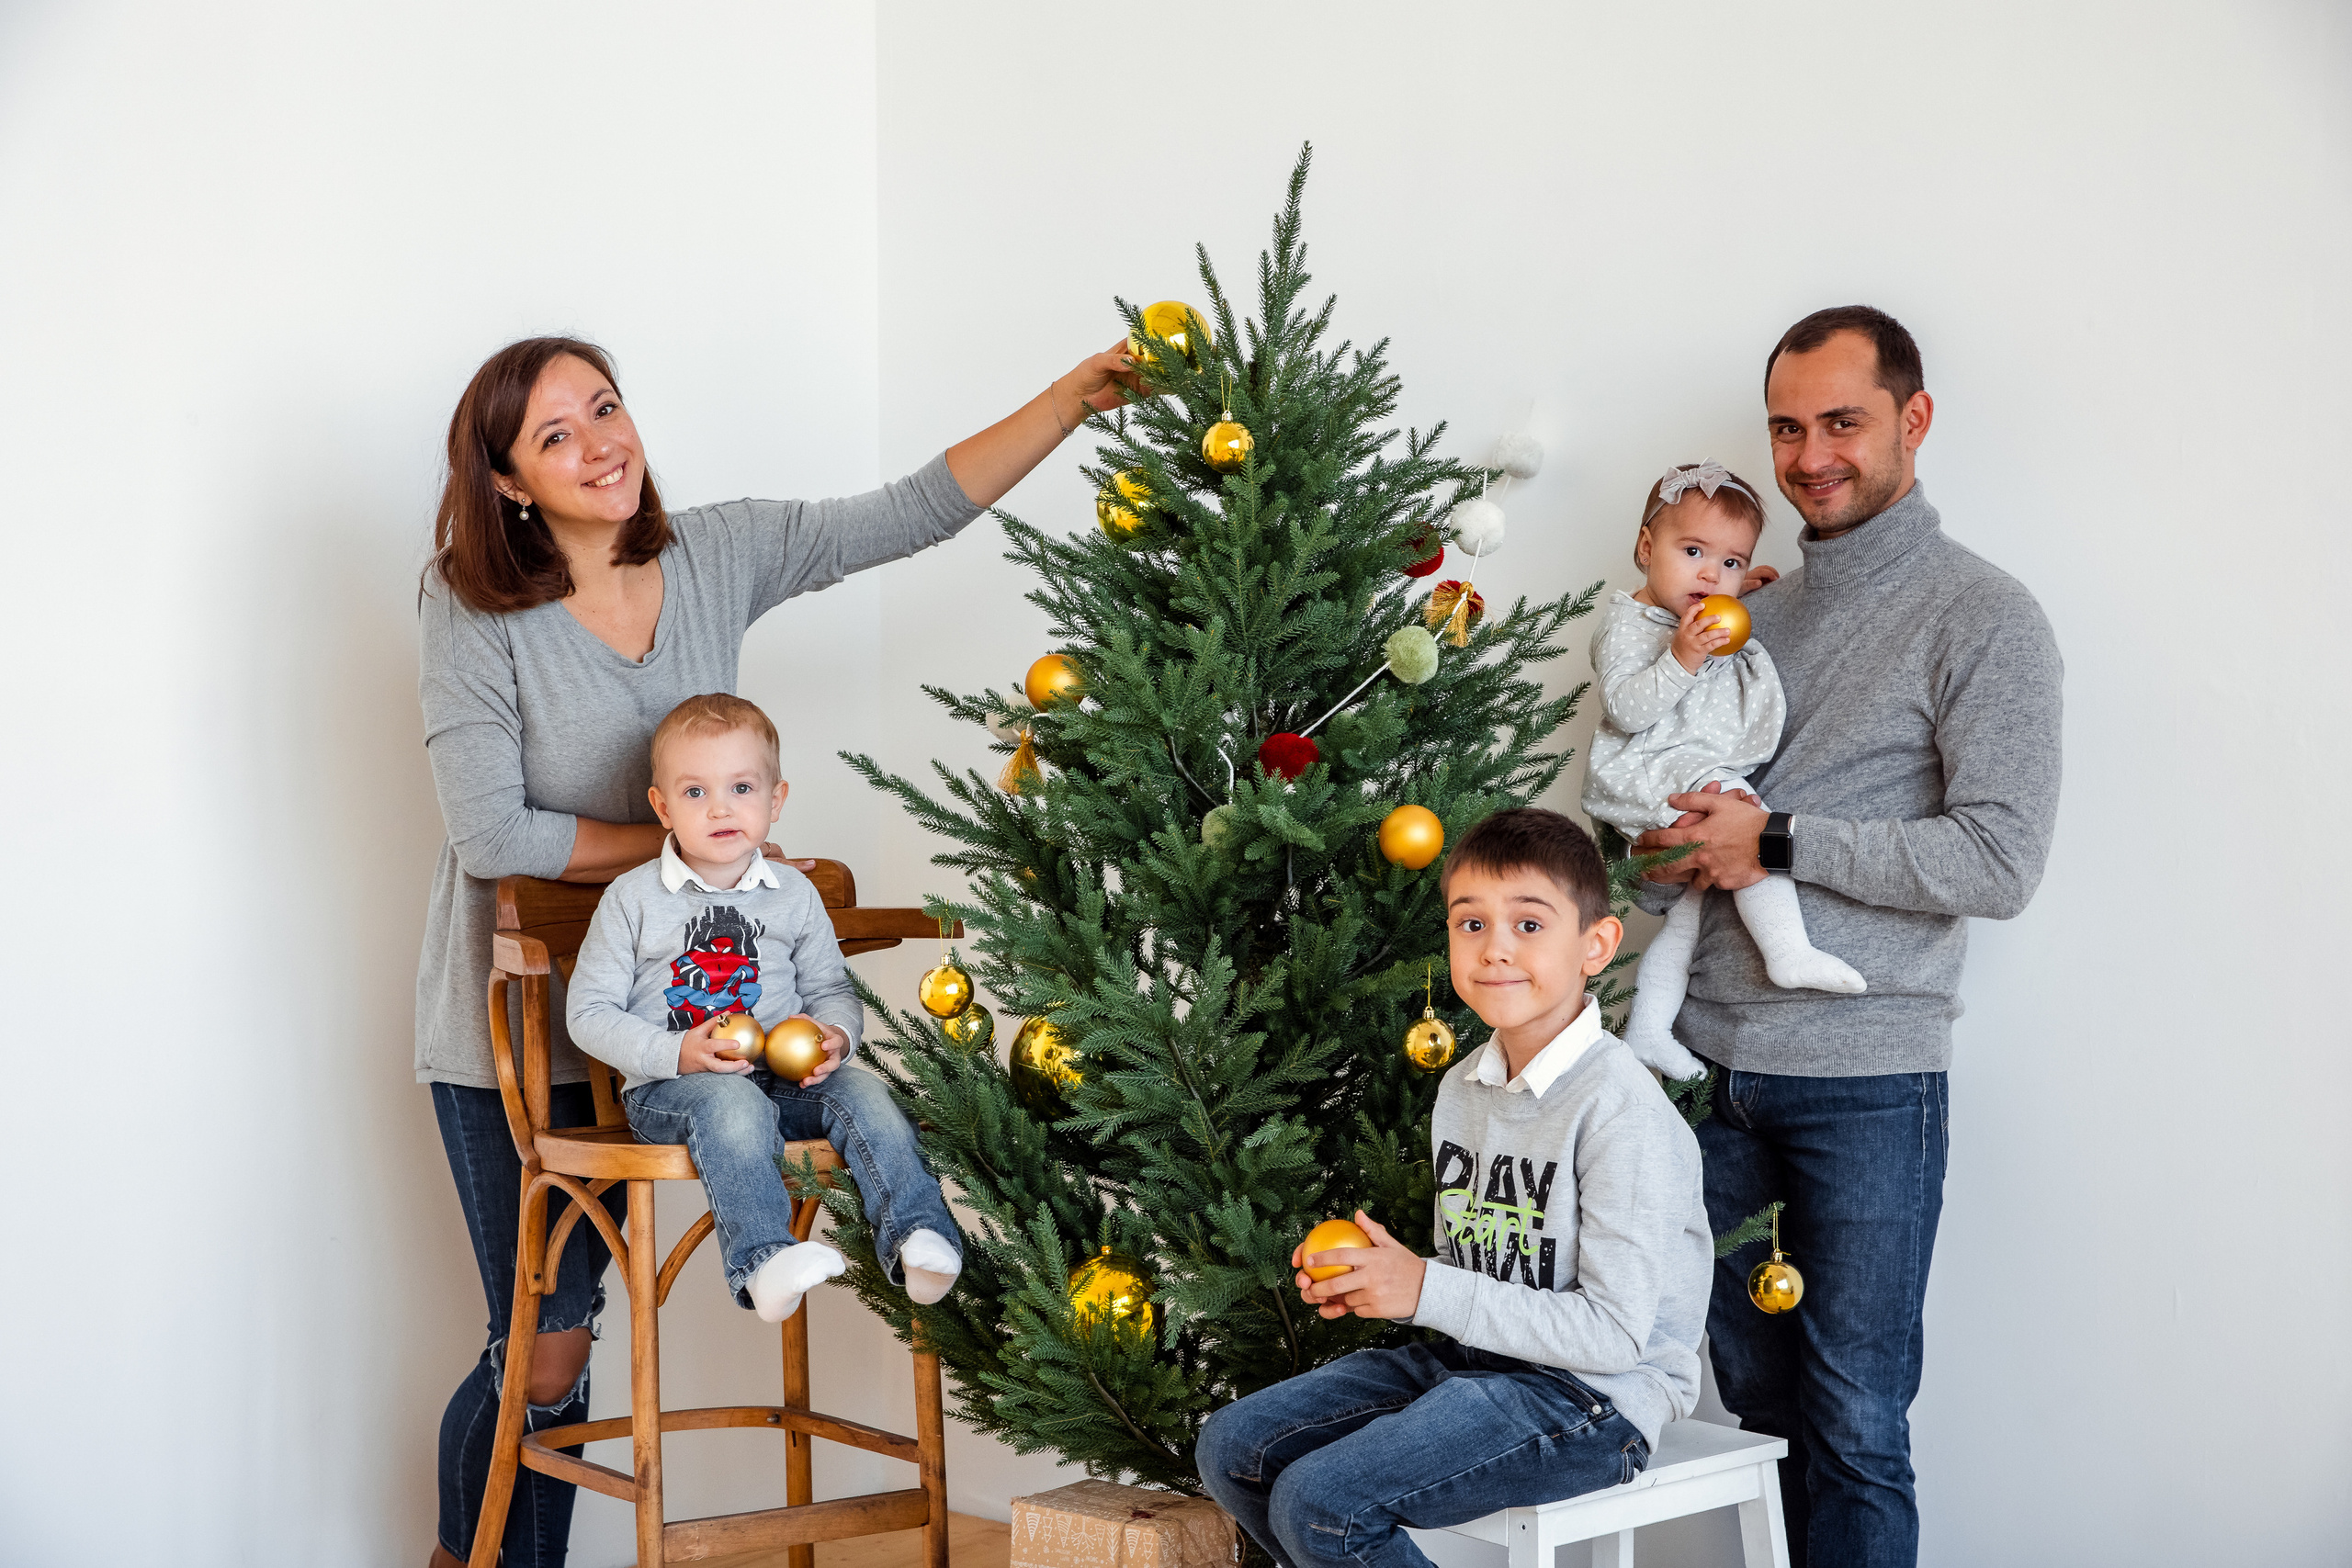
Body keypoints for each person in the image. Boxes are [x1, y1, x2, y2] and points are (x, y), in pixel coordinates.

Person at [416, 333, 1136, 1568]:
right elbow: (492, 831)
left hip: (708, 1028)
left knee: (578, 1334)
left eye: (605, 407)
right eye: (555, 434)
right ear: (509, 485)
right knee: (541, 1335)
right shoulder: (472, 603)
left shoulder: (715, 549)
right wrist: (693, 852)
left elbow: (909, 512)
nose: (600, 443)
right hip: (520, 1026)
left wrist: (1071, 399)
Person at [1633, 306, 2063, 1567]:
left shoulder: (1985, 616)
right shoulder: (1746, 607)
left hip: (1866, 1078)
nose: (1810, 453)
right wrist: (1666, 846)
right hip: (1705, 1073)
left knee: (1859, 1425)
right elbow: (1680, 795)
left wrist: (1774, 843)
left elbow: (1999, 859)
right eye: (1786, 425)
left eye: (1842, 421)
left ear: (1912, 421)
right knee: (1757, 1421)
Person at [1195, 808, 1713, 1568]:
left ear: (1595, 946)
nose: (1495, 947)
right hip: (1474, 1360)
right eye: (1471, 923)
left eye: (1529, 925)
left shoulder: (1618, 1106)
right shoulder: (1463, 1089)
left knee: (1321, 1505)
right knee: (1232, 1446)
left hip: (1595, 1399)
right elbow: (1474, 1274)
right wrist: (1388, 1282)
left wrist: (1425, 1289)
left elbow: (1612, 1336)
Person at [566, 694, 963, 1320]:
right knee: (733, 1100)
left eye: (742, 786)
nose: (721, 806)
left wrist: (836, 1034)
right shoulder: (633, 899)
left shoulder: (793, 895)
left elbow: (831, 987)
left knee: (866, 1094)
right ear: (662, 807)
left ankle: (917, 1235)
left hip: (781, 1079)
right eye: (695, 792)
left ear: (775, 800)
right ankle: (762, 1261)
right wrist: (678, 1051)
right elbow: (587, 1011)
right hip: (674, 1090)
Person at [1581, 460, 1865, 1080]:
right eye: (1693, 552)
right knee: (1744, 817)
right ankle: (1787, 951)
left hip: (1671, 772)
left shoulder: (1697, 611)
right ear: (1645, 547)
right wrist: (1682, 654)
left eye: (1731, 562)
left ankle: (1649, 1029)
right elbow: (1627, 709)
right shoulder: (1628, 626)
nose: (1712, 575)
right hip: (1652, 772)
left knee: (1693, 911)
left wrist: (1746, 594)